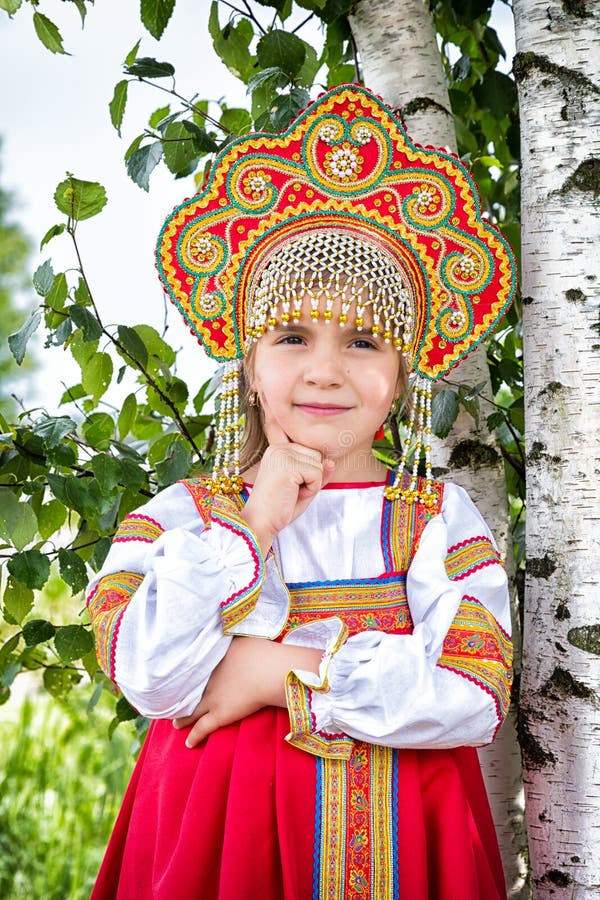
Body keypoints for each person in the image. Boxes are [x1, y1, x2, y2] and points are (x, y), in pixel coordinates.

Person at [88, 84, 516, 899]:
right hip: (216, 845)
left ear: (402, 380)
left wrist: (271, 671)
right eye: (292, 336)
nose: (325, 370)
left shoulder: (431, 520)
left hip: (406, 835)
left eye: (363, 341)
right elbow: (147, 673)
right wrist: (251, 523)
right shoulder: (183, 519)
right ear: (247, 364)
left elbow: (473, 691)